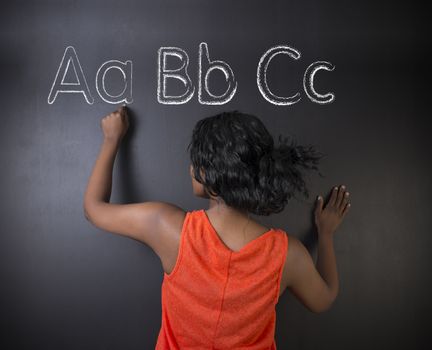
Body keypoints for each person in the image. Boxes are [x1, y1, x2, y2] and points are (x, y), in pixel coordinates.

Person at [83, 106, 351, 349]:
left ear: (208, 175)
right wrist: (325, 234)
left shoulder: (167, 227)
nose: (190, 169)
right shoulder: (287, 254)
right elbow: (324, 298)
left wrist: (111, 139)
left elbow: (94, 209)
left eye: (196, 162)